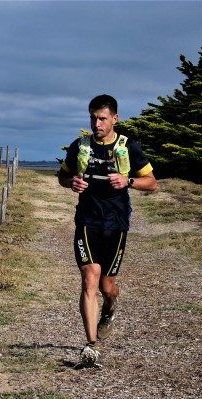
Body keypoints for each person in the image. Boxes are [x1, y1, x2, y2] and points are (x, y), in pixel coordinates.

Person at [58, 94, 157, 367]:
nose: (97, 123)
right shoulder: (80, 146)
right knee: (90, 277)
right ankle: (91, 346)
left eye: (102, 118)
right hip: (87, 220)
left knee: (107, 286)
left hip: (116, 222)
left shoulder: (129, 147)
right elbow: (62, 176)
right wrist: (71, 183)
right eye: (93, 117)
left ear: (115, 118)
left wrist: (129, 181)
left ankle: (110, 306)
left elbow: (153, 183)